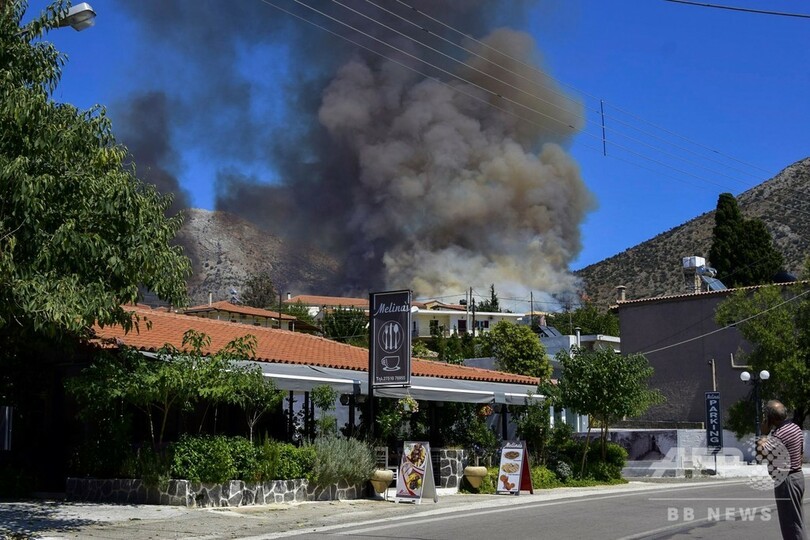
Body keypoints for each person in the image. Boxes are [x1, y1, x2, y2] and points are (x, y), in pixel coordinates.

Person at [760, 399, 806, 540]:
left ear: (770, 418)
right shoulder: (795, 428)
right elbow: (800, 454)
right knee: (797, 521)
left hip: (787, 482)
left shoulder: (779, 434)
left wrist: (763, 434)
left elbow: (761, 453)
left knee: (790, 524)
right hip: (797, 477)